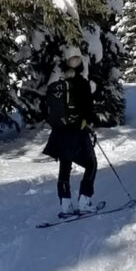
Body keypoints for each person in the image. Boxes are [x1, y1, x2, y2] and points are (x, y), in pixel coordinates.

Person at [43, 46, 98, 217]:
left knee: (65, 166)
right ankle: (84, 200)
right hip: (77, 131)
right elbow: (88, 110)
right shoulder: (82, 84)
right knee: (91, 164)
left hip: (59, 132)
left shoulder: (58, 86)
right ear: (80, 65)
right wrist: (91, 122)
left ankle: (65, 204)